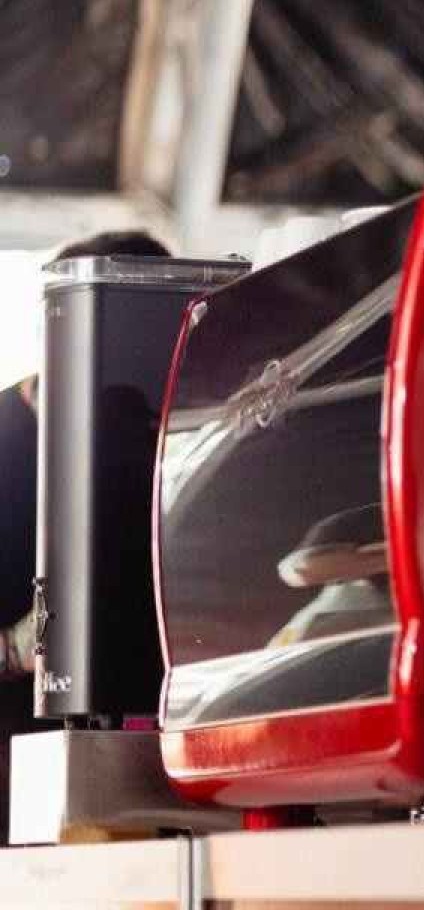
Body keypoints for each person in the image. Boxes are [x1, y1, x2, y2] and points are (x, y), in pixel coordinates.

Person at [0, 230, 170, 838]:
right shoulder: (3, 439)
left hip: (160, 765)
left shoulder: (170, 436)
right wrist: (16, 650)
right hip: (17, 778)